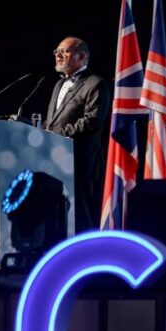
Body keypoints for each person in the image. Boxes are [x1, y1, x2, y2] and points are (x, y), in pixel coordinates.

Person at [45, 36, 110, 231]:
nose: (58, 55)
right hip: (54, 159)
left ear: (81, 56)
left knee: (81, 213)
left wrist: (56, 133)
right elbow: (53, 121)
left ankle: (87, 247)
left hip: (80, 161)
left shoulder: (95, 84)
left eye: (64, 51)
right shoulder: (58, 85)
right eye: (57, 51)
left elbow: (92, 122)